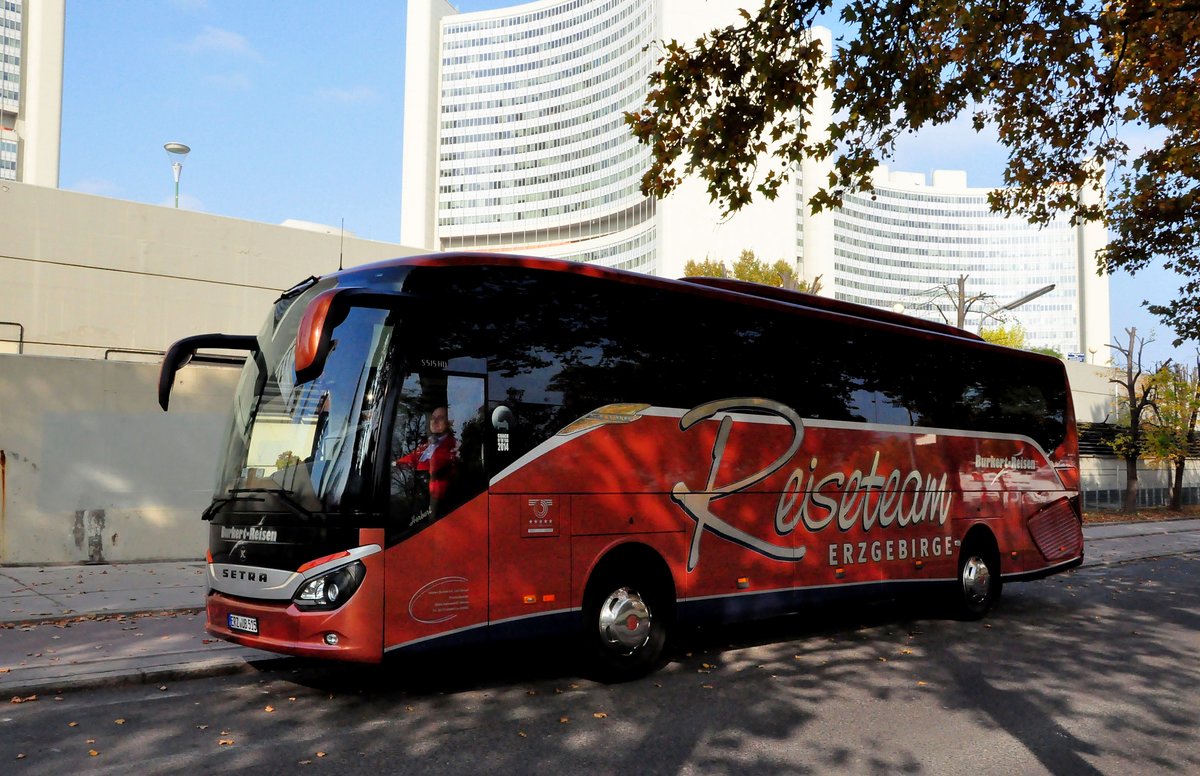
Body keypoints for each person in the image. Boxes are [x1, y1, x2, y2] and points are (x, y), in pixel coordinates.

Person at [394, 405, 457, 517]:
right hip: (415, 495)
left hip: (434, 502)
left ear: (449, 422)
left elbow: (434, 468)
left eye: (440, 418)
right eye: (433, 417)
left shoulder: (451, 446)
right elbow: (410, 458)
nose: (434, 421)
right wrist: (393, 464)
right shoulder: (427, 445)